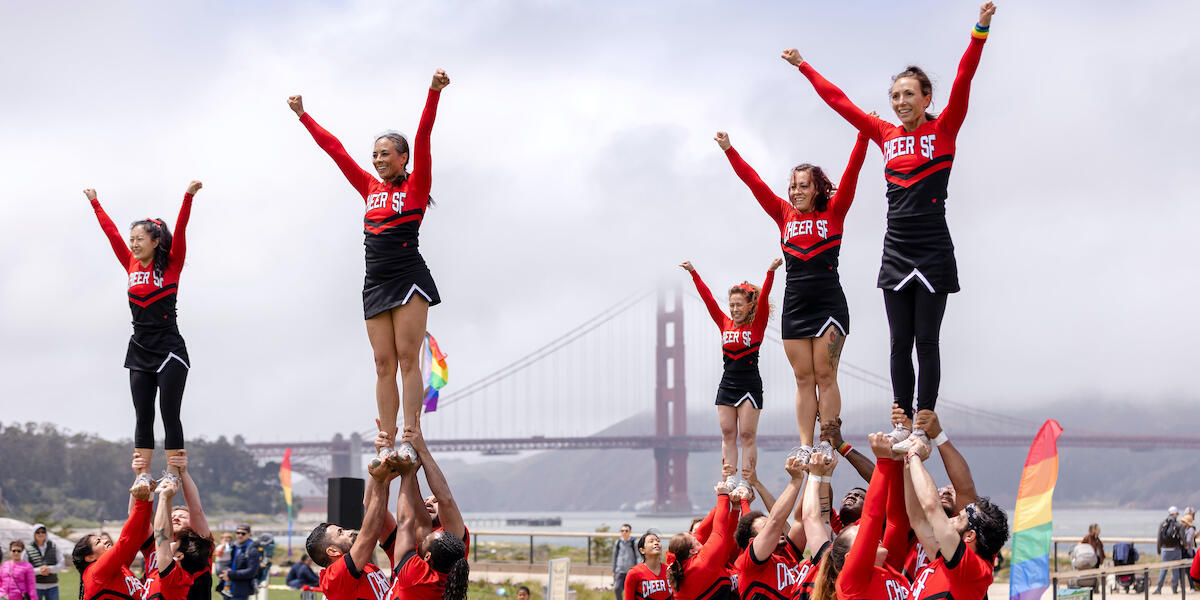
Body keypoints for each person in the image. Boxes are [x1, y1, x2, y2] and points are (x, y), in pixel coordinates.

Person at [782, 2, 998, 452]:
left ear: (926, 99)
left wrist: (979, 30)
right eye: (895, 96)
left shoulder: (945, 130)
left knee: (927, 339)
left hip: (933, 247)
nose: (900, 102)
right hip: (896, 248)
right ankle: (901, 417)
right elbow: (839, 102)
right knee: (899, 341)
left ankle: (923, 421)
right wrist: (805, 67)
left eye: (909, 95)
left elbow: (964, 77)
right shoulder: (885, 133)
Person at [288, 69, 451, 466]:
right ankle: (387, 437)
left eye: (385, 154)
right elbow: (336, 151)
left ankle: (411, 434)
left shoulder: (416, 186)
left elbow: (425, 134)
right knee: (383, 364)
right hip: (375, 282)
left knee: (408, 358)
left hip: (409, 277)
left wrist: (433, 92)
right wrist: (303, 115)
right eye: (375, 155)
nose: (378, 160)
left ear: (403, 157)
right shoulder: (367, 186)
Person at [716, 130, 868, 456]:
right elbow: (754, 182)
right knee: (803, 378)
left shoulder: (834, 212)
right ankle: (805, 445)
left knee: (825, 375)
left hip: (829, 303)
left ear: (817, 189)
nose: (796, 191)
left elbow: (852, 174)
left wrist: (862, 136)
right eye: (793, 186)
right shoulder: (783, 214)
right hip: (795, 306)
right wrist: (730, 150)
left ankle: (827, 441)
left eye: (803, 186)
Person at [85, 182, 204, 488]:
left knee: (169, 412)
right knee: (142, 414)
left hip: (170, 350)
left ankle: (173, 473)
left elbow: (181, 229)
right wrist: (96, 203)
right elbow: (110, 234)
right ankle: (143, 475)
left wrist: (187, 197)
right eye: (132, 239)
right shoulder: (130, 262)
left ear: (155, 241)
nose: (134, 244)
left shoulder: (172, 264)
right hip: (139, 348)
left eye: (139, 239)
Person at [680, 259, 780, 484]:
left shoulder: (757, 324)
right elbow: (708, 300)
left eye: (739, 305)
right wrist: (694, 273)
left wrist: (770, 272)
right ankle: (730, 478)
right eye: (732, 305)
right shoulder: (723, 322)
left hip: (750, 385)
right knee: (727, 434)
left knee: (746, 435)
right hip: (727, 383)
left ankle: (746, 480)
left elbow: (763, 298)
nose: (734, 309)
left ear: (749, 306)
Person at [901, 437, 1008, 600]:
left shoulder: (972, 570)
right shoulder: (947, 561)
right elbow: (918, 520)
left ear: (970, 536)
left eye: (959, 518)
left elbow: (931, 506)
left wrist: (914, 455)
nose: (950, 519)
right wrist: (907, 463)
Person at [306, 430, 402, 600]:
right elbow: (369, 533)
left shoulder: (368, 569)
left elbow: (368, 504)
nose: (349, 531)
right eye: (340, 533)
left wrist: (380, 456)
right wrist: (380, 482)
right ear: (333, 551)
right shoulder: (335, 577)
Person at [386, 427, 470, 600]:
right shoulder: (451, 558)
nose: (429, 501)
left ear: (427, 556)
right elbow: (423, 520)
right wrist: (410, 472)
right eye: (426, 500)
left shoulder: (415, 575)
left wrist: (409, 470)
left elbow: (406, 521)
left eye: (434, 501)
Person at [825, 434, 912, 600]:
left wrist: (896, 462)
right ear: (850, 558)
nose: (872, 537)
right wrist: (883, 461)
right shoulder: (851, 581)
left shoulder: (888, 568)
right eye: (861, 533)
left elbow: (897, 521)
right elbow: (872, 517)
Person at [72, 465, 153, 600]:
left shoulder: (117, 568)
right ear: (90, 557)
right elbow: (126, 542)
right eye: (98, 542)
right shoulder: (96, 571)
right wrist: (141, 501)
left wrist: (145, 488)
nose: (105, 540)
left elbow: (136, 538)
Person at [734, 456, 808, 600]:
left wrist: (814, 476)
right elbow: (775, 521)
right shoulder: (749, 564)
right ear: (753, 541)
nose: (778, 530)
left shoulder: (788, 553)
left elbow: (801, 518)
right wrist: (796, 480)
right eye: (765, 528)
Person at [143, 477, 215, 600]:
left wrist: (164, 496)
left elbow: (162, 534)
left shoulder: (174, 577)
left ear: (179, 556)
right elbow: (165, 533)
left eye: (182, 516)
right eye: (172, 516)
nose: (175, 518)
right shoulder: (182, 571)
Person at [668, 480, 739, 600]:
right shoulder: (704, 561)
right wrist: (722, 497)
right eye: (694, 539)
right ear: (692, 551)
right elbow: (719, 530)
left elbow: (702, 531)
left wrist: (724, 500)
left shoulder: (674, 558)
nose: (697, 538)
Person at [623, 532, 672, 600]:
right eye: (651, 541)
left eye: (658, 541)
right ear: (642, 550)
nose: (656, 543)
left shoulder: (669, 570)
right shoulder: (634, 573)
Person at [221, 526, 260, 600]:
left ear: (249, 534)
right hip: (226, 589)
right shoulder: (233, 547)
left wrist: (230, 574)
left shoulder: (252, 550)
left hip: (240, 591)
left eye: (243, 533)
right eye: (238, 533)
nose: (240, 535)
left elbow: (252, 572)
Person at [25, 524, 62, 600]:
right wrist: (39, 571)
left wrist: (49, 569)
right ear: (34, 534)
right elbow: (25, 568)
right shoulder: (28, 549)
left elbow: (61, 563)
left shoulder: (54, 546)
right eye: (38, 532)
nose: (40, 534)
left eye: (43, 531)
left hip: (52, 586)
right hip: (35, 586)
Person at [1154, 506, 1185, 594]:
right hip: (1176, 550)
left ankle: (1159, 588)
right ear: (1175, 514)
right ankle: (1174, 589)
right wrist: (1185, 545)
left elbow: (1159, 538)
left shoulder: (1162, 524)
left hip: (1165, 550)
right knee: (1175, 570)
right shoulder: (1179, 525)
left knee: (1163, 570)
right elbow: (1182, 537)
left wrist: (1158, 550)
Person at [613, 524, 640, 599]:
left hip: (631, 571)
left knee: (631, 591)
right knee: (617, 589)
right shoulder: (618, 542)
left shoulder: (634, 542)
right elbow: (614, 557)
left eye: (626, 531)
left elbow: (638, 556)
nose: (624, 532)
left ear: (630, 532)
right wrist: (613, 570)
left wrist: (638, 569)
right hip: (619, 571)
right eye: (622, 531)